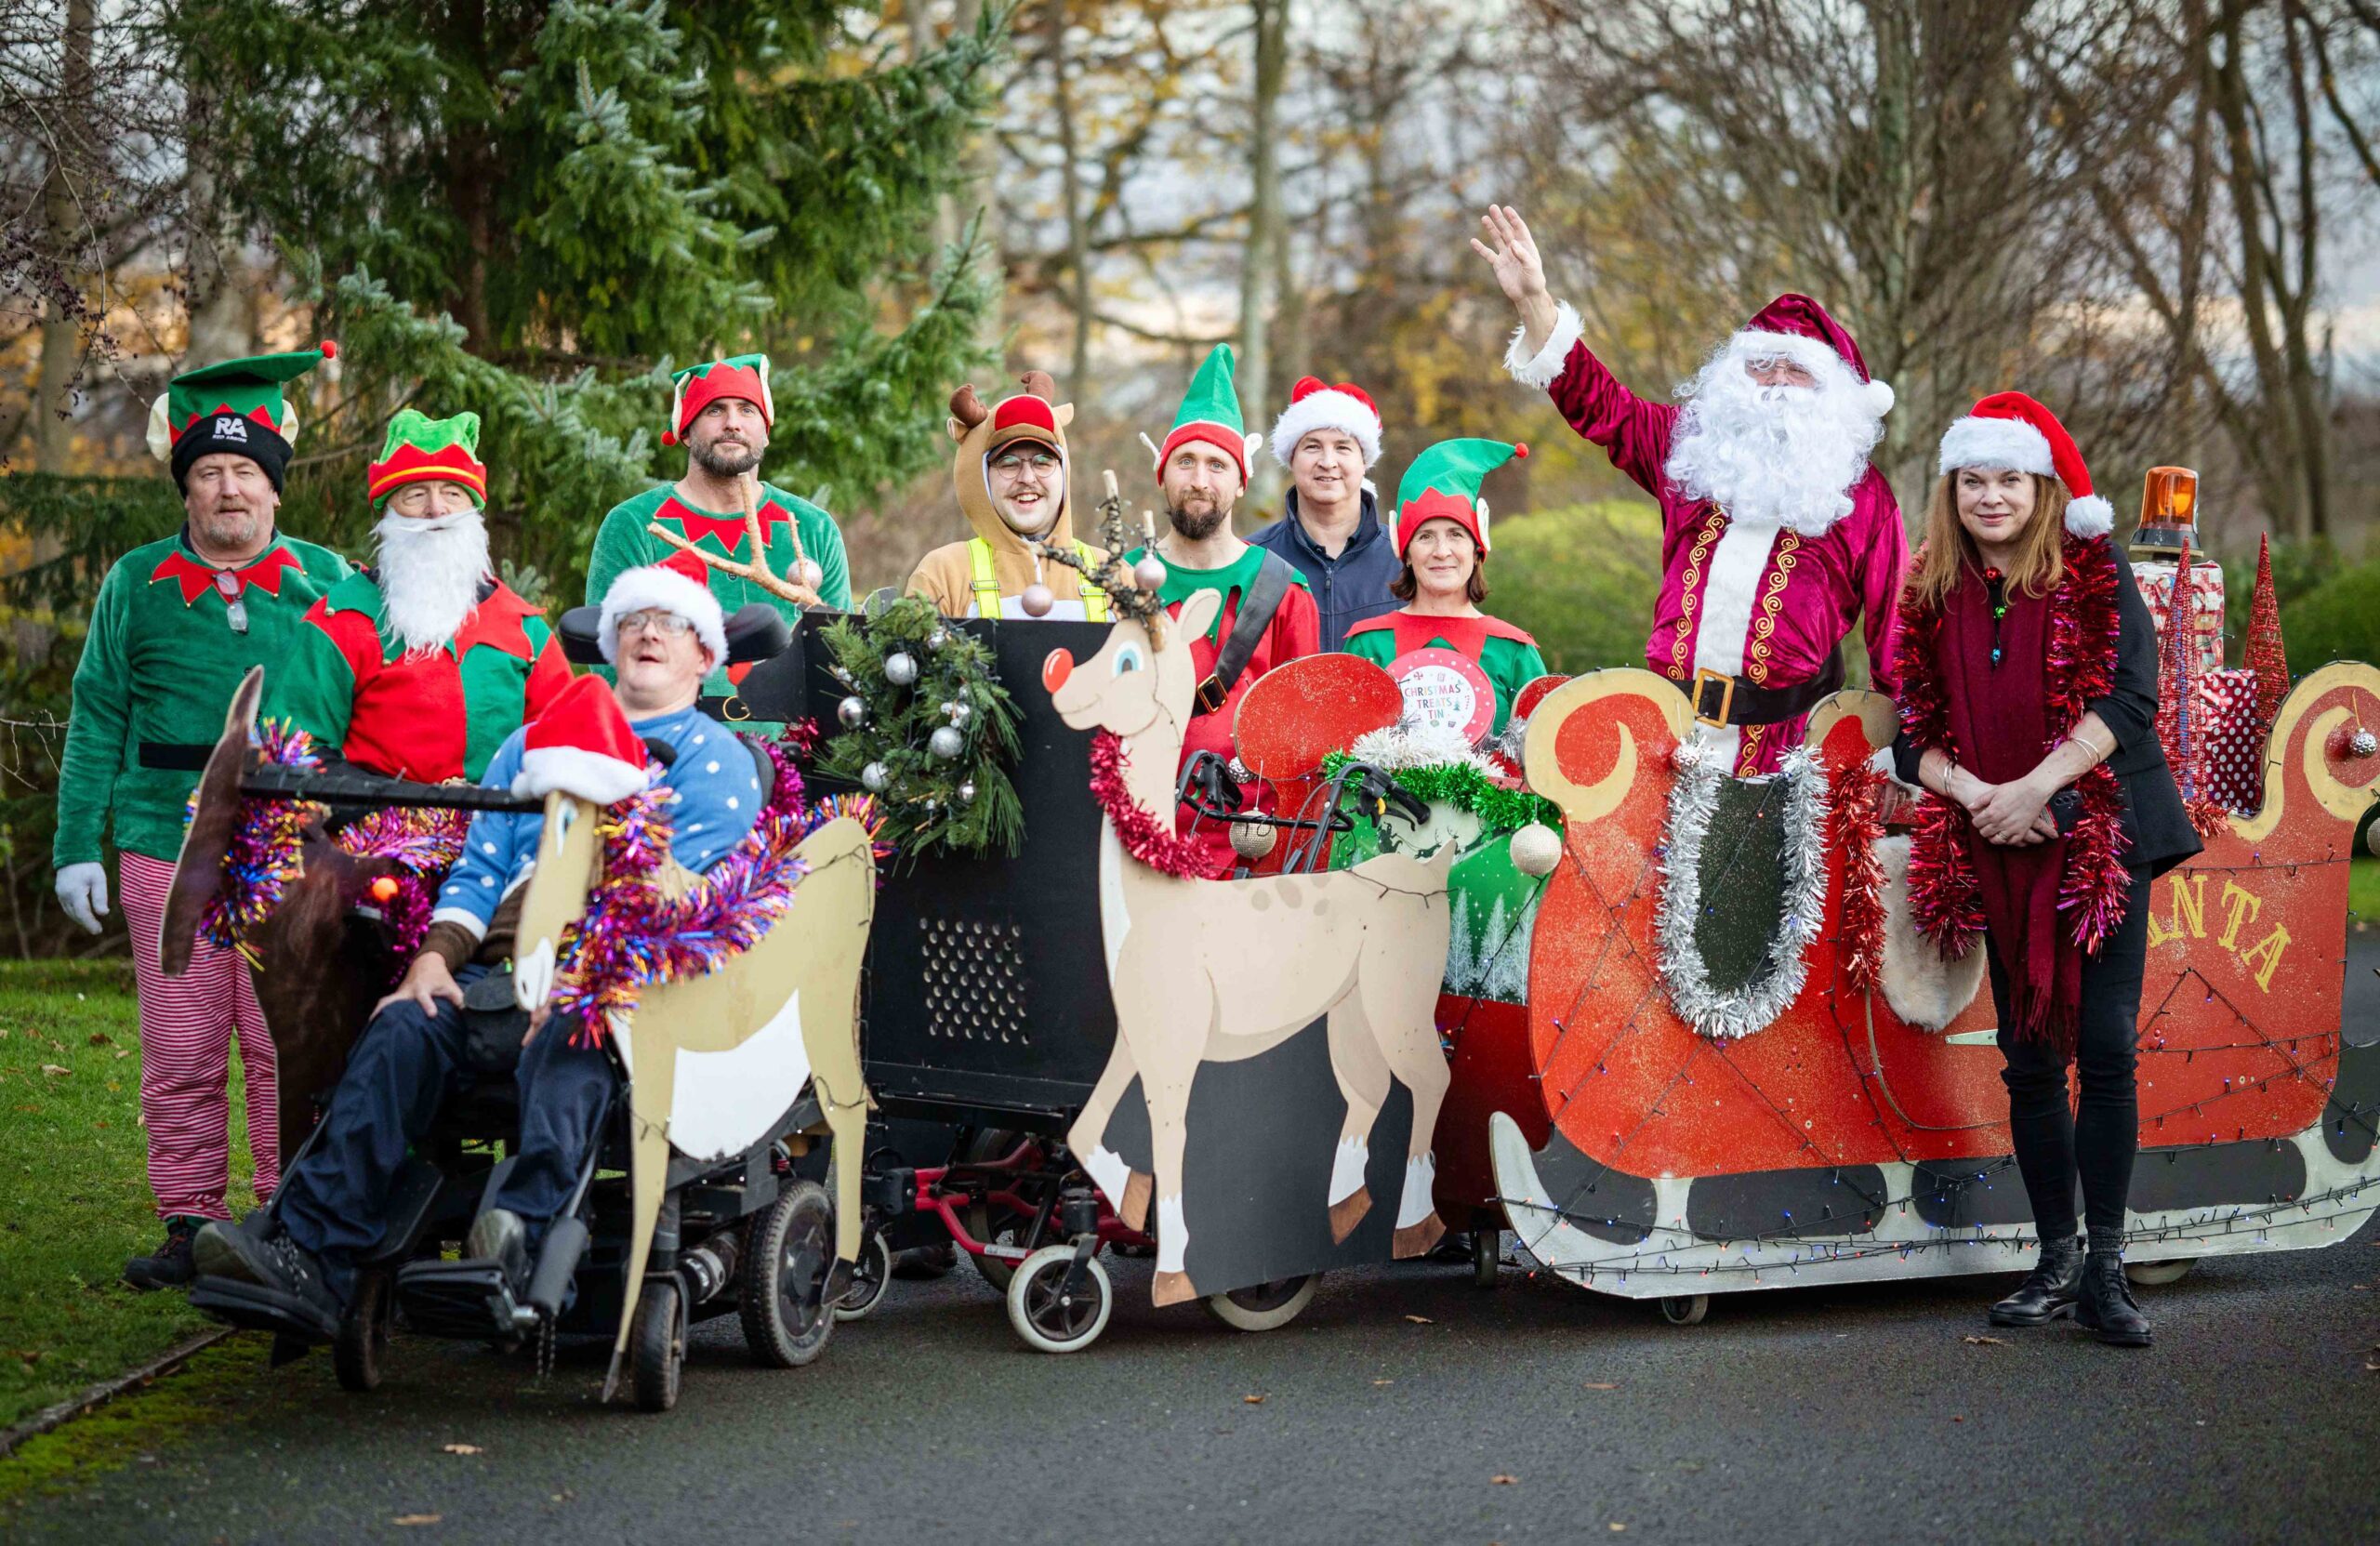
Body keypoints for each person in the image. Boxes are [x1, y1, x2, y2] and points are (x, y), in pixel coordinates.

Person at [190, 564, 768, 1338]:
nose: (648, 632)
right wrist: (432, 956)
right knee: (400, 1025)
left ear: (705, 656)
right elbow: (480, 869)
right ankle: (309, 1256)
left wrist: (581, 977)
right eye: (633, 620)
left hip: (617, 986)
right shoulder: (530, 746)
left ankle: (517, 1240)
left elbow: (682, 903)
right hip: (492, 969)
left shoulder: (716, 763)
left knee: (573, 1040)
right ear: (610, 644)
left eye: (671, 622)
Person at [1892, 393, 2201, 1348]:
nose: (1991, 496)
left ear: (2040, 486)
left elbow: (2131, 695)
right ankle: (2054, 1258)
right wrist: (1977, 792)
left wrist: (2036, 785)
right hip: (1994, 834)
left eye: (2009, 479)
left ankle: (2107, 1270)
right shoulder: (1932, 591)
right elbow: (1912, 735)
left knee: (2103, 1045)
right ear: (1953, 490)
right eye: (1974, 480)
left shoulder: (2090, 568)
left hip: (2101, 829)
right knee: (2029, 1057)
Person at [53, 346, 351, 1288]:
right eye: (211, 473)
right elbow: (98, 712)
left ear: (275, 489)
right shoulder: (133, 585)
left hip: (289, 846)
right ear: (186, 485)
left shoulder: (329, 585)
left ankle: (281, 1215)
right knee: (181, 1041)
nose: (229, 490)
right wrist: (76, 847)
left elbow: (371, 705)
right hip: (160, 840)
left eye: (247, 474)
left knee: (280, 1038)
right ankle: (189, 1218)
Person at [1474, 205, 1907, 775]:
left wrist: (1897, 757)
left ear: (1832, 393)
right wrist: (1534, 301)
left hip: (1789, 754)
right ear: (1736, 377)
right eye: (1763, 366)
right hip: (1666, 740)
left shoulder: (1864, 498)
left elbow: (1897, 632)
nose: (1776, 383)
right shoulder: (1691, 451)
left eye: (1797, 371)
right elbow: (1601, 405)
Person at [271, 409, 570, 780]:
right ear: (388, 512)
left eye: (453, 493)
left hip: (496, 830)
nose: (436, 510)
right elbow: (292, 748)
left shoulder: (525, 633)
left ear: (474, 508)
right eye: (415, 495)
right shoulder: (338, 622)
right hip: (368, 831)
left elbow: (564, 745)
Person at [1123, 343, 1319, 865]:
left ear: (1240, 481)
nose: (1200, 480)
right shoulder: (1117, 581)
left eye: (1217, 464)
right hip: (1133, 830)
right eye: (1185, 462)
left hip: (1249, 839)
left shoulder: (1285, 590)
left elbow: (1302, 738)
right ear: (1162, 474)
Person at [585, 353, 851, 717]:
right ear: (686, 431)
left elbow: (840, 658)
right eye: (714, 410)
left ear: (765, 430)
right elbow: (607, 658)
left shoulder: (813, 528)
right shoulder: (633, 524)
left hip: (793, 758)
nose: (732, 423)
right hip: (671, 752)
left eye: (746, 409)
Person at [1342, 438, 1549, 738]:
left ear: (1478, 550)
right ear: (1406, 553)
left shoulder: (1512, 649)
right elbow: (1342, 757)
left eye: (1455, 535)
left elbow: (1543, 757)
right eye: (1425, 536)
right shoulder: (1369, 644)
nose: (1442, 551)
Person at [905, 371, 1109, 620]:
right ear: (981, 476)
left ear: (1063, 471)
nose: (1027, 477)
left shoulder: (1112, 575)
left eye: (1043, 461)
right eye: (1009, 463)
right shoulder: (943, 575)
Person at [1249, 375, 1400, 650]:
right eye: (1312, 446)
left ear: (1364, 461)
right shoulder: (1253, 559)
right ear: (1291, 459)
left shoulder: (1404, 559)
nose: (1328, 462)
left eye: (1342, 447)